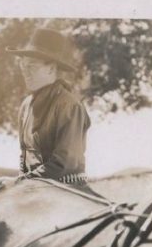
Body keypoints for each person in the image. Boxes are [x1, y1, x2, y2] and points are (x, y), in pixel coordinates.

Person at [7, 28, 92, 186]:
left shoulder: (69, 105)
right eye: (23, 66)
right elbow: (24, 156)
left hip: (69, 190)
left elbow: (64, 164)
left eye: (31, 66)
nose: (25, 72)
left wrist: (19, 182)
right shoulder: (26, 106)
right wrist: (19, 184)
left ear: (51, 69)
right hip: (34, 190)